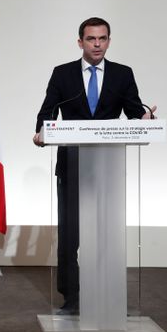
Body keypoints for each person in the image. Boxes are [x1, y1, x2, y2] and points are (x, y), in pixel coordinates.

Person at [33, 17, 156, 314]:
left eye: (102, 38)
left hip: (107, 164)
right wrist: (41, 132)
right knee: (70, 235)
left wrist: (144, 120)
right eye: (91, 39)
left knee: (105, 234)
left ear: (109, 41)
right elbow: (47, 112)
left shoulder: (122, 74)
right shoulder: (62, 75)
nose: (97, 44)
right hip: (72, 163)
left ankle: (107, 294)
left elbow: (133, 110)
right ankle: (72, 298)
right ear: (80, 42)